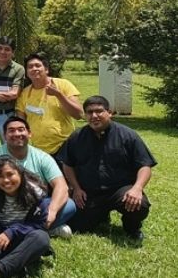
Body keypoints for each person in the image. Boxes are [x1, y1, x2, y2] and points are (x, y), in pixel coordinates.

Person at [61, 96, 156, 241]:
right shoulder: (77, 137)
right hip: (89, 193)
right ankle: (101, 216)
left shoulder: (127, 135)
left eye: (99, 111)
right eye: (89, 112)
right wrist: (76, 188)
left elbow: (145, 165)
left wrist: (137, 188)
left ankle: (132, 228)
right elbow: (68, 164)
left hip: (120, 190)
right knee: (77, 226)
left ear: (109, 112)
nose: (94, 116)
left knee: (140, 205)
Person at [0, 116, 76, 238]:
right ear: (4, 136)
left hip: (35, 207)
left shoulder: (42, 157)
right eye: (11, 130)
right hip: (6, 207)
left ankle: (28, 229)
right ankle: (40, 229)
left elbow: (61, 186)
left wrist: (52, 212)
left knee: (69, 205)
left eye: (21, 129)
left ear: (29, 133)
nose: (17, 134)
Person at [15, 53, 83, 157]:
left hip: (64, 146)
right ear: (27, 73)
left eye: (38, 65)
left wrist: (58, 94)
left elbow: (78, 114)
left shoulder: (63, 84)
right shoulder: (24, 93)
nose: (34, 69)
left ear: (46, 69)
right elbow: (21, 122)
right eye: (30, 67)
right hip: (38, 150)